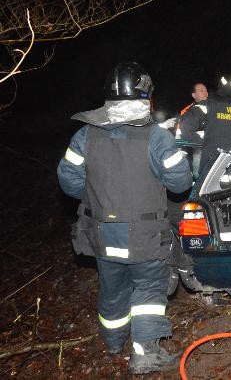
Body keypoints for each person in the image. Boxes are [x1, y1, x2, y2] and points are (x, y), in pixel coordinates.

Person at [57, 62, 193, 374]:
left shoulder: (84, 136)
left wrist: (103, 198)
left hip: (103, 234)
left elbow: (69, 183)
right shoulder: (157, 138)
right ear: (145, 95)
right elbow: (181, 183)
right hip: (145, 235)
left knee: (112, 286)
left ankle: (114, 343)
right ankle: (144, 354)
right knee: (148, 287)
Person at [175, 82, 209, 173]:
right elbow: (181, 134)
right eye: (201, 91)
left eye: (206, 90)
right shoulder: (188, 111)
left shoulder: (217, 107)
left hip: (215, 149)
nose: (205, 93)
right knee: (198, 172)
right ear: (194, 95)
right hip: (196, 149)